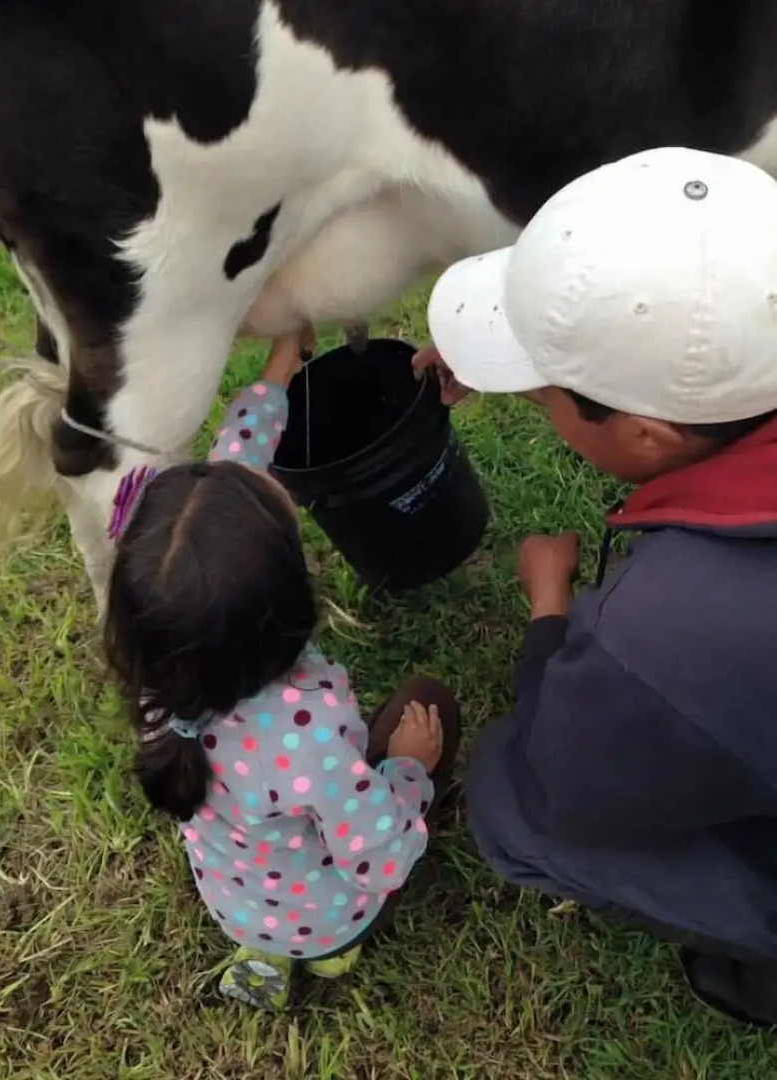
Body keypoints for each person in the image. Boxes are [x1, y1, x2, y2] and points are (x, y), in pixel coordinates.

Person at [418, 146, 777, 1027]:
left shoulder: (668, 630)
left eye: (546, 398)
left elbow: (567, 781)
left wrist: (552, 612)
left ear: (652, 439)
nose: (538, 404)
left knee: (514, 804)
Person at [102, 333, 461, 1011]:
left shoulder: (164, 662)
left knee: (276, 847)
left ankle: (262, 955)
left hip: (237, 906)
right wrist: (407, 770)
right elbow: (379, 856)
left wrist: (278, 372)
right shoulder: (306, 731)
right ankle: (330, 956)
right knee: (427, 701)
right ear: (284, 604)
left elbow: (231, 473)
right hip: (329, 915)